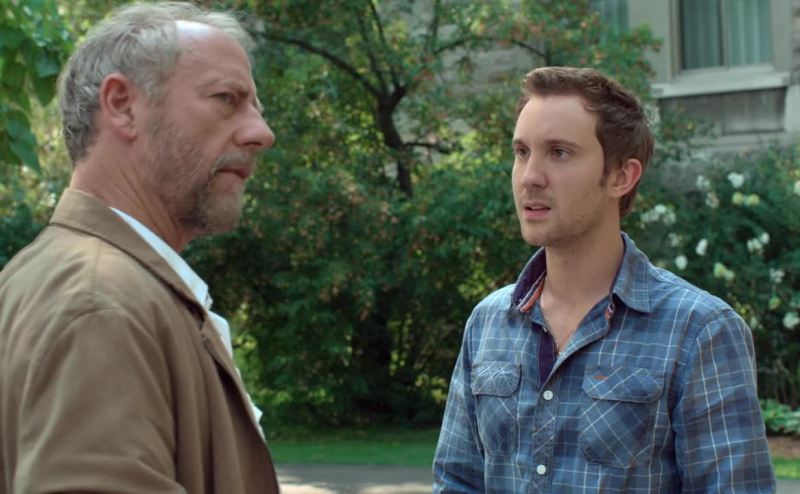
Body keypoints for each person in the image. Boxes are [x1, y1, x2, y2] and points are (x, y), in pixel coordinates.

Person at [432, 66, 776, 492]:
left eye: (559, 152)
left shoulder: (699, 330)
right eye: (522, 152)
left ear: (621, 177)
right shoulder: (487, 323)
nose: (530, 176)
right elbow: (456, 482)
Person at [0, 2, 279, 492]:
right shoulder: (100, 304)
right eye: (226, 99)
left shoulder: (76, 279)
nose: (262, 133)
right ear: (123, 105)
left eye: (256, 108)